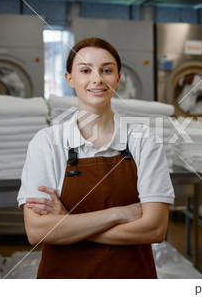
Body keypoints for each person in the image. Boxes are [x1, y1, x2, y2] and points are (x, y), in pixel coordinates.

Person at [17, 37, 175, 279]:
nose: (97, 79)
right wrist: (119, 214)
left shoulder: (143, 140)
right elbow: (37, 231)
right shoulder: (47, 142)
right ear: (69, 78)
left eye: (107, 70)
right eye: (85, 70)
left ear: (118, 77)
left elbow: (154, 229)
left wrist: (67, 224)